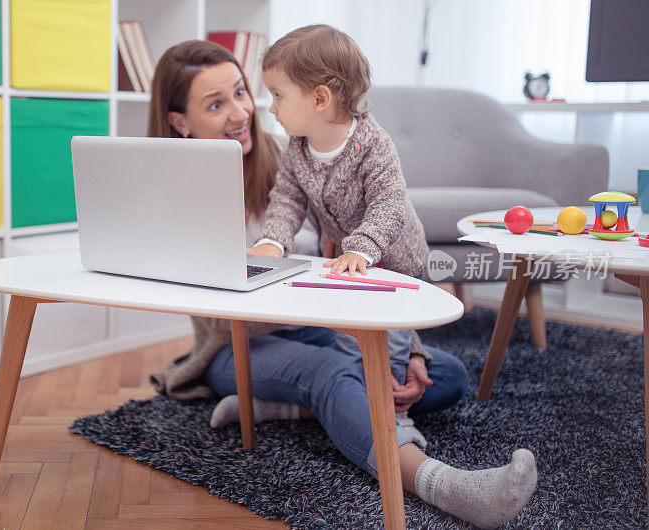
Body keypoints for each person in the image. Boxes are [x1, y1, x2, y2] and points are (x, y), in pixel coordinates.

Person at [147, 38, 537, 529]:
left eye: (242, 93)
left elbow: (368, 248)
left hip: (321, 321)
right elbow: (220, 298)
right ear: (180, 122)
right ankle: (444, 484)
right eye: (215, 104)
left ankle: (286, 407)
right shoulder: (173, 190)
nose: (243, 112)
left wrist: (407, 347)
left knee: (445, 375)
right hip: (239, 345)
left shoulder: (287, 152)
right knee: (335, 372)